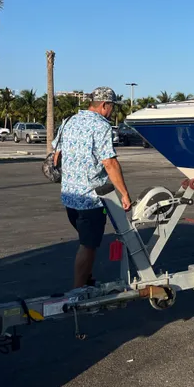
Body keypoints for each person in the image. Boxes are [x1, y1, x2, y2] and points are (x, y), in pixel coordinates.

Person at [52, 87, 132, 288]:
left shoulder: (69, 121)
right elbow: (109, 163)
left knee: (88, 241)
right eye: (112, 106)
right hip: (91, 199)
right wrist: (124, 194)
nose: (112, 111)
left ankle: (87, 280)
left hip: (69, 196)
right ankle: (78, 291)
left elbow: (56, 156)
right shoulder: (101, 126)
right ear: (105, 105)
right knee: (88, 246)